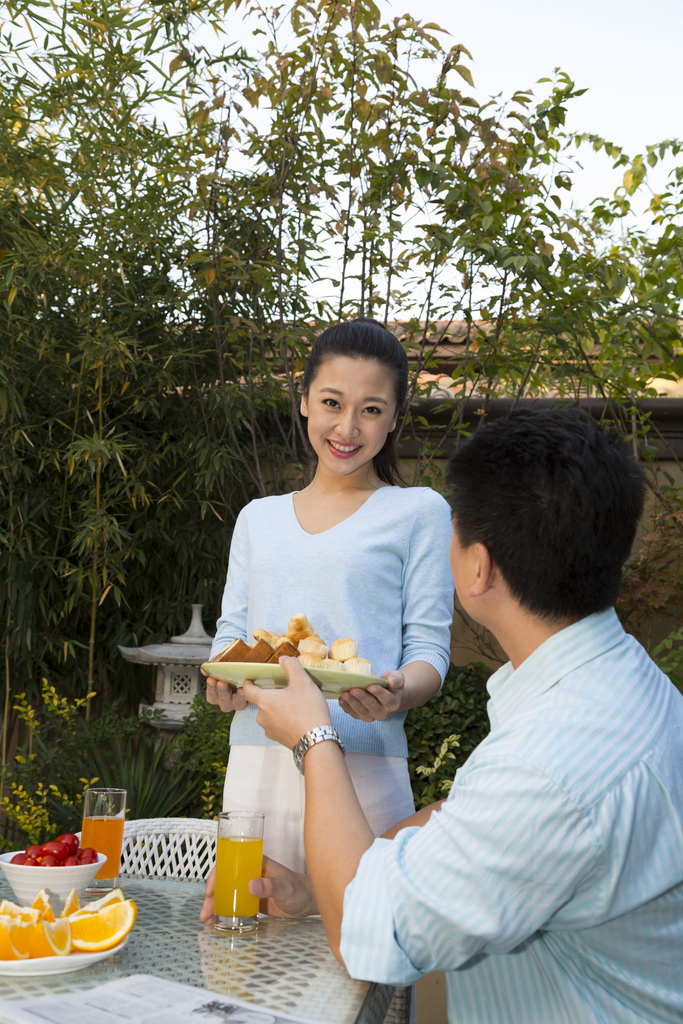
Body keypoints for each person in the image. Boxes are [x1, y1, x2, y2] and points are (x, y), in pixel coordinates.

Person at [239, 408, 683, 1024]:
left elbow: (363, 941)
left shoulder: (551, 764)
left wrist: (314, 737)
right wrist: (319, 891)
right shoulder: (614, 683)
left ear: (479, 567)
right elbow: (466, 821)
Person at [202, 318, 454, 881]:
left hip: (363, 761)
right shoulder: (257, 518)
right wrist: (224, 683)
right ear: (305, 403)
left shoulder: (421, 513)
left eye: (370, 409)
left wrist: (396, 693)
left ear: (393, 419)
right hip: (256, 752)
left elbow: (430, 652)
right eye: (332, 402)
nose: (347, 426)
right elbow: (232, 634)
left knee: (362, 941)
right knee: (250, 928)